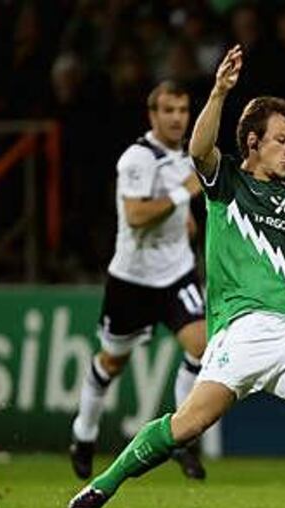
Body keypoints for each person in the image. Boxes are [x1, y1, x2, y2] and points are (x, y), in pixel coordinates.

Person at [68, 45, 285, 508]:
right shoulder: (226, 184)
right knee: (185, 426)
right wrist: (220, 91)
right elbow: (199, 148)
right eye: (281, 140)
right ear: (252, 143)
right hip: (240, 332)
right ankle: (101, 486)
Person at [69, 81, 208, 482]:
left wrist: (186, 220)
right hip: (132, 279)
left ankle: (183, 439)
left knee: (201, 346)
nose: (178, 118)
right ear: (153, 115)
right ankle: (84, 434)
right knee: (112, 361)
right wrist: (183, 197)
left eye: (183, 110)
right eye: (169, 110)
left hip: (176, 273)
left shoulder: (184, 158)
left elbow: (175, 211)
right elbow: (135, 216)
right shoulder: (137, 159)